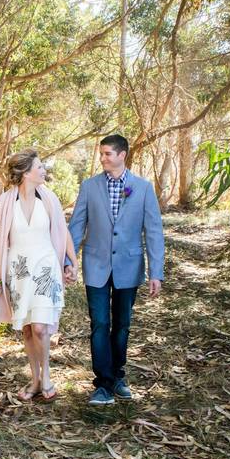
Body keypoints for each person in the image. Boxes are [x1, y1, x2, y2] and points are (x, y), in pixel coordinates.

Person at [66, 134, 164, 406]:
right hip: (95, 264)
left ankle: (118, 376)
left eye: (108, 153)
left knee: (122, 325)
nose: (103, 158)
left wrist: (156, 272)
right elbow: (76, 226)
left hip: (129, 266)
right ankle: (103, 384)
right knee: (100, 324)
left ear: (122, 155)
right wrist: (69, 261)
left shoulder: (143, 188)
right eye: (102, 153)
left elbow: (154, 231)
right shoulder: (89, 187)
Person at [0, 149, 79, 402]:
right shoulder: (5, 201)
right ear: (26, 172)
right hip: (18, 270)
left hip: (46, 267)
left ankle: (46, 375)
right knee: (27, 329)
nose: (44, 170)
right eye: (39, 167)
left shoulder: (49, 199)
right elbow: (0, 240)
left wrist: (73, 261)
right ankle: (35, 379)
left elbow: (63, 230)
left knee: (40, 327)